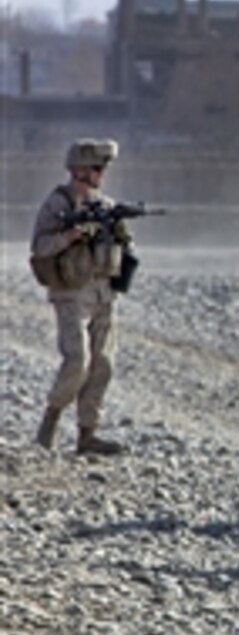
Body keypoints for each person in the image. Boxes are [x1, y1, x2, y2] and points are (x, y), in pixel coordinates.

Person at [31, 138, 132, 456]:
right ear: (79, 170)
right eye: (97, 168)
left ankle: (88, 434)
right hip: (71, 293)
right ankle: (52, 418)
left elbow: (126, 250)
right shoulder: (58, 204)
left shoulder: (105, 206)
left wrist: (120, 236)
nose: (102, 174)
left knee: (103, 364)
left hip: (103, 292)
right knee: (78, 361)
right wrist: (71, 236)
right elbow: (40, 248)